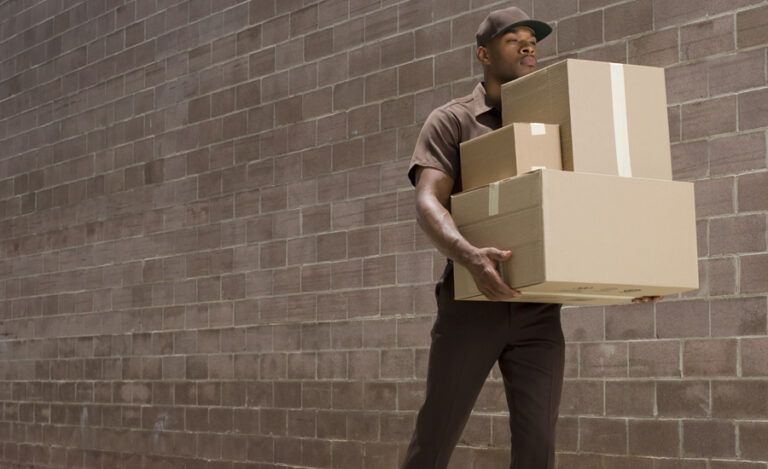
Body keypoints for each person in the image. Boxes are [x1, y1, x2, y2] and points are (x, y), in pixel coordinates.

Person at [401, 6, 660, 469]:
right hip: (473, 303)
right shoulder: (453, 120)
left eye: (532, 40)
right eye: (511, 39)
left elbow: (592, 200)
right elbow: (428, 202)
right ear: (483, 53)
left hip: (539, 309)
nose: (527, 45)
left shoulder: (557, 118)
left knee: (538, 445)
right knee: (436, 434)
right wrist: (470, 257)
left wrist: (631, 274)